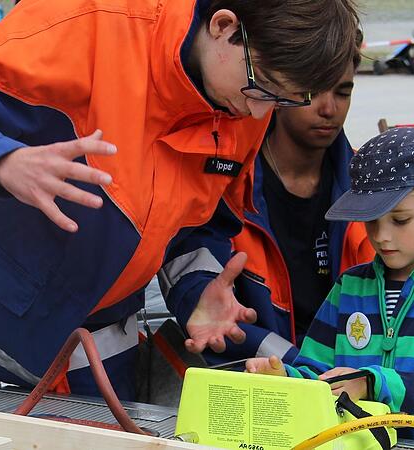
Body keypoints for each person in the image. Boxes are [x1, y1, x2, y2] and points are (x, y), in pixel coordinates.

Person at [0, 0, 361, 401]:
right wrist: (1, 162)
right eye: (260, 89)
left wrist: (200, 291)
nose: (258, 111)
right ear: (224, 25)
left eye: (279, 101)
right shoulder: (93, 20)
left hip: (85, 332)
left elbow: (196, 228)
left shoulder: (247, 103)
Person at [245, 127, 414, 443]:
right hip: (353, 444)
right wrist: (286, 379)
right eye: (371, 221)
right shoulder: (350, 286)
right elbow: (317, 373)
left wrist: (372, 383)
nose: (381, 236)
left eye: (400, 219)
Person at [159, 30, 373, 367]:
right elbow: (190, 274)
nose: (329, 108)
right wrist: (296, 363)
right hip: (255, 378)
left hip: (351, 380)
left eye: (343, 92)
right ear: (278, 84)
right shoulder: (225, 181)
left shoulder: (373, 187)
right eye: (312, 91)